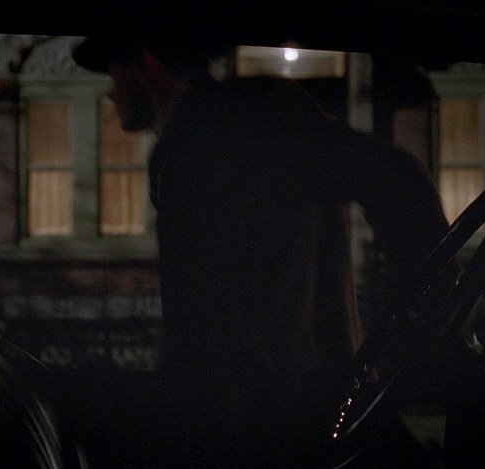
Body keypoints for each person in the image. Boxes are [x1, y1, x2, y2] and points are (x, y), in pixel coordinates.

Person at [71, 33, 450, 467]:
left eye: (114, 72)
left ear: (146, 62)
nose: (111, 91)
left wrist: (424, 310)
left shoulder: (244, 118)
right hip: (257, 412)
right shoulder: (201, 134)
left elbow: (395, 176)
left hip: (283, 416)